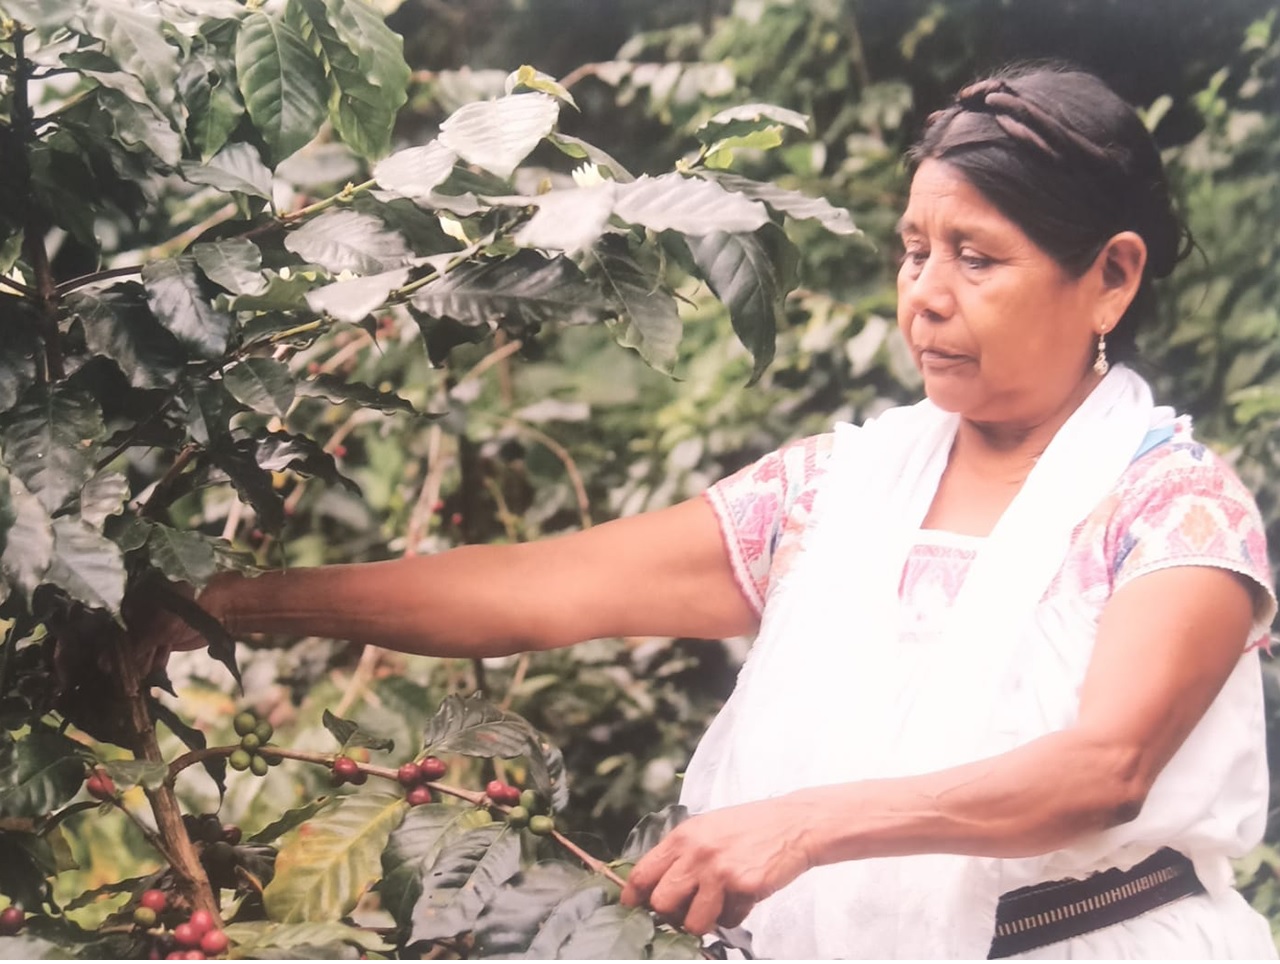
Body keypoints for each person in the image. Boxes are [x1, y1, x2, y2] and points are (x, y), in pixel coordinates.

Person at [154, 63, 1276, 958]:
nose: (924, 293)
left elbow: (1103, 767)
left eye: (975, 257)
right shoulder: (833, 493)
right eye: (914, 249)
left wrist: (802, 821)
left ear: (1111, 277)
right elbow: (544, 588)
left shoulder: (1169, 509)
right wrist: (232, 603)